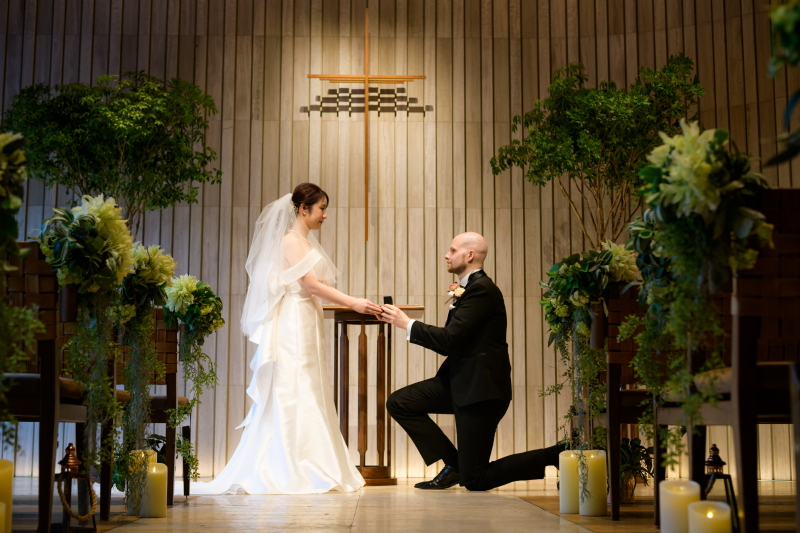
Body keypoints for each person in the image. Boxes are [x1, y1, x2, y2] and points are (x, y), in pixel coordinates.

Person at [192, 183, 381, 494]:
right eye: (321, 208)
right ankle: (292, 465)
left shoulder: (306, 243)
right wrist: (354, 302)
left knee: (311, 385)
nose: (325, 215)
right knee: (295, 386)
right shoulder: (291, 241)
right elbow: (312, 285)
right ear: (302, 209)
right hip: (293, 321)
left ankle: (312, 459)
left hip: (306, 319)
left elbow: (317, 284)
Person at [378, 232, 565, 490]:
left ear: (469, 255)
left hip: (481, 392)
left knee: (475, 480)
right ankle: (454, 463)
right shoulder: (469, 289)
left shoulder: (482, 290)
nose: (446, 254)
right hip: (460, 383)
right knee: (400, 402)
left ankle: (554, 455)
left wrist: (406, 323)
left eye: (452, 250)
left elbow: (449, 341)